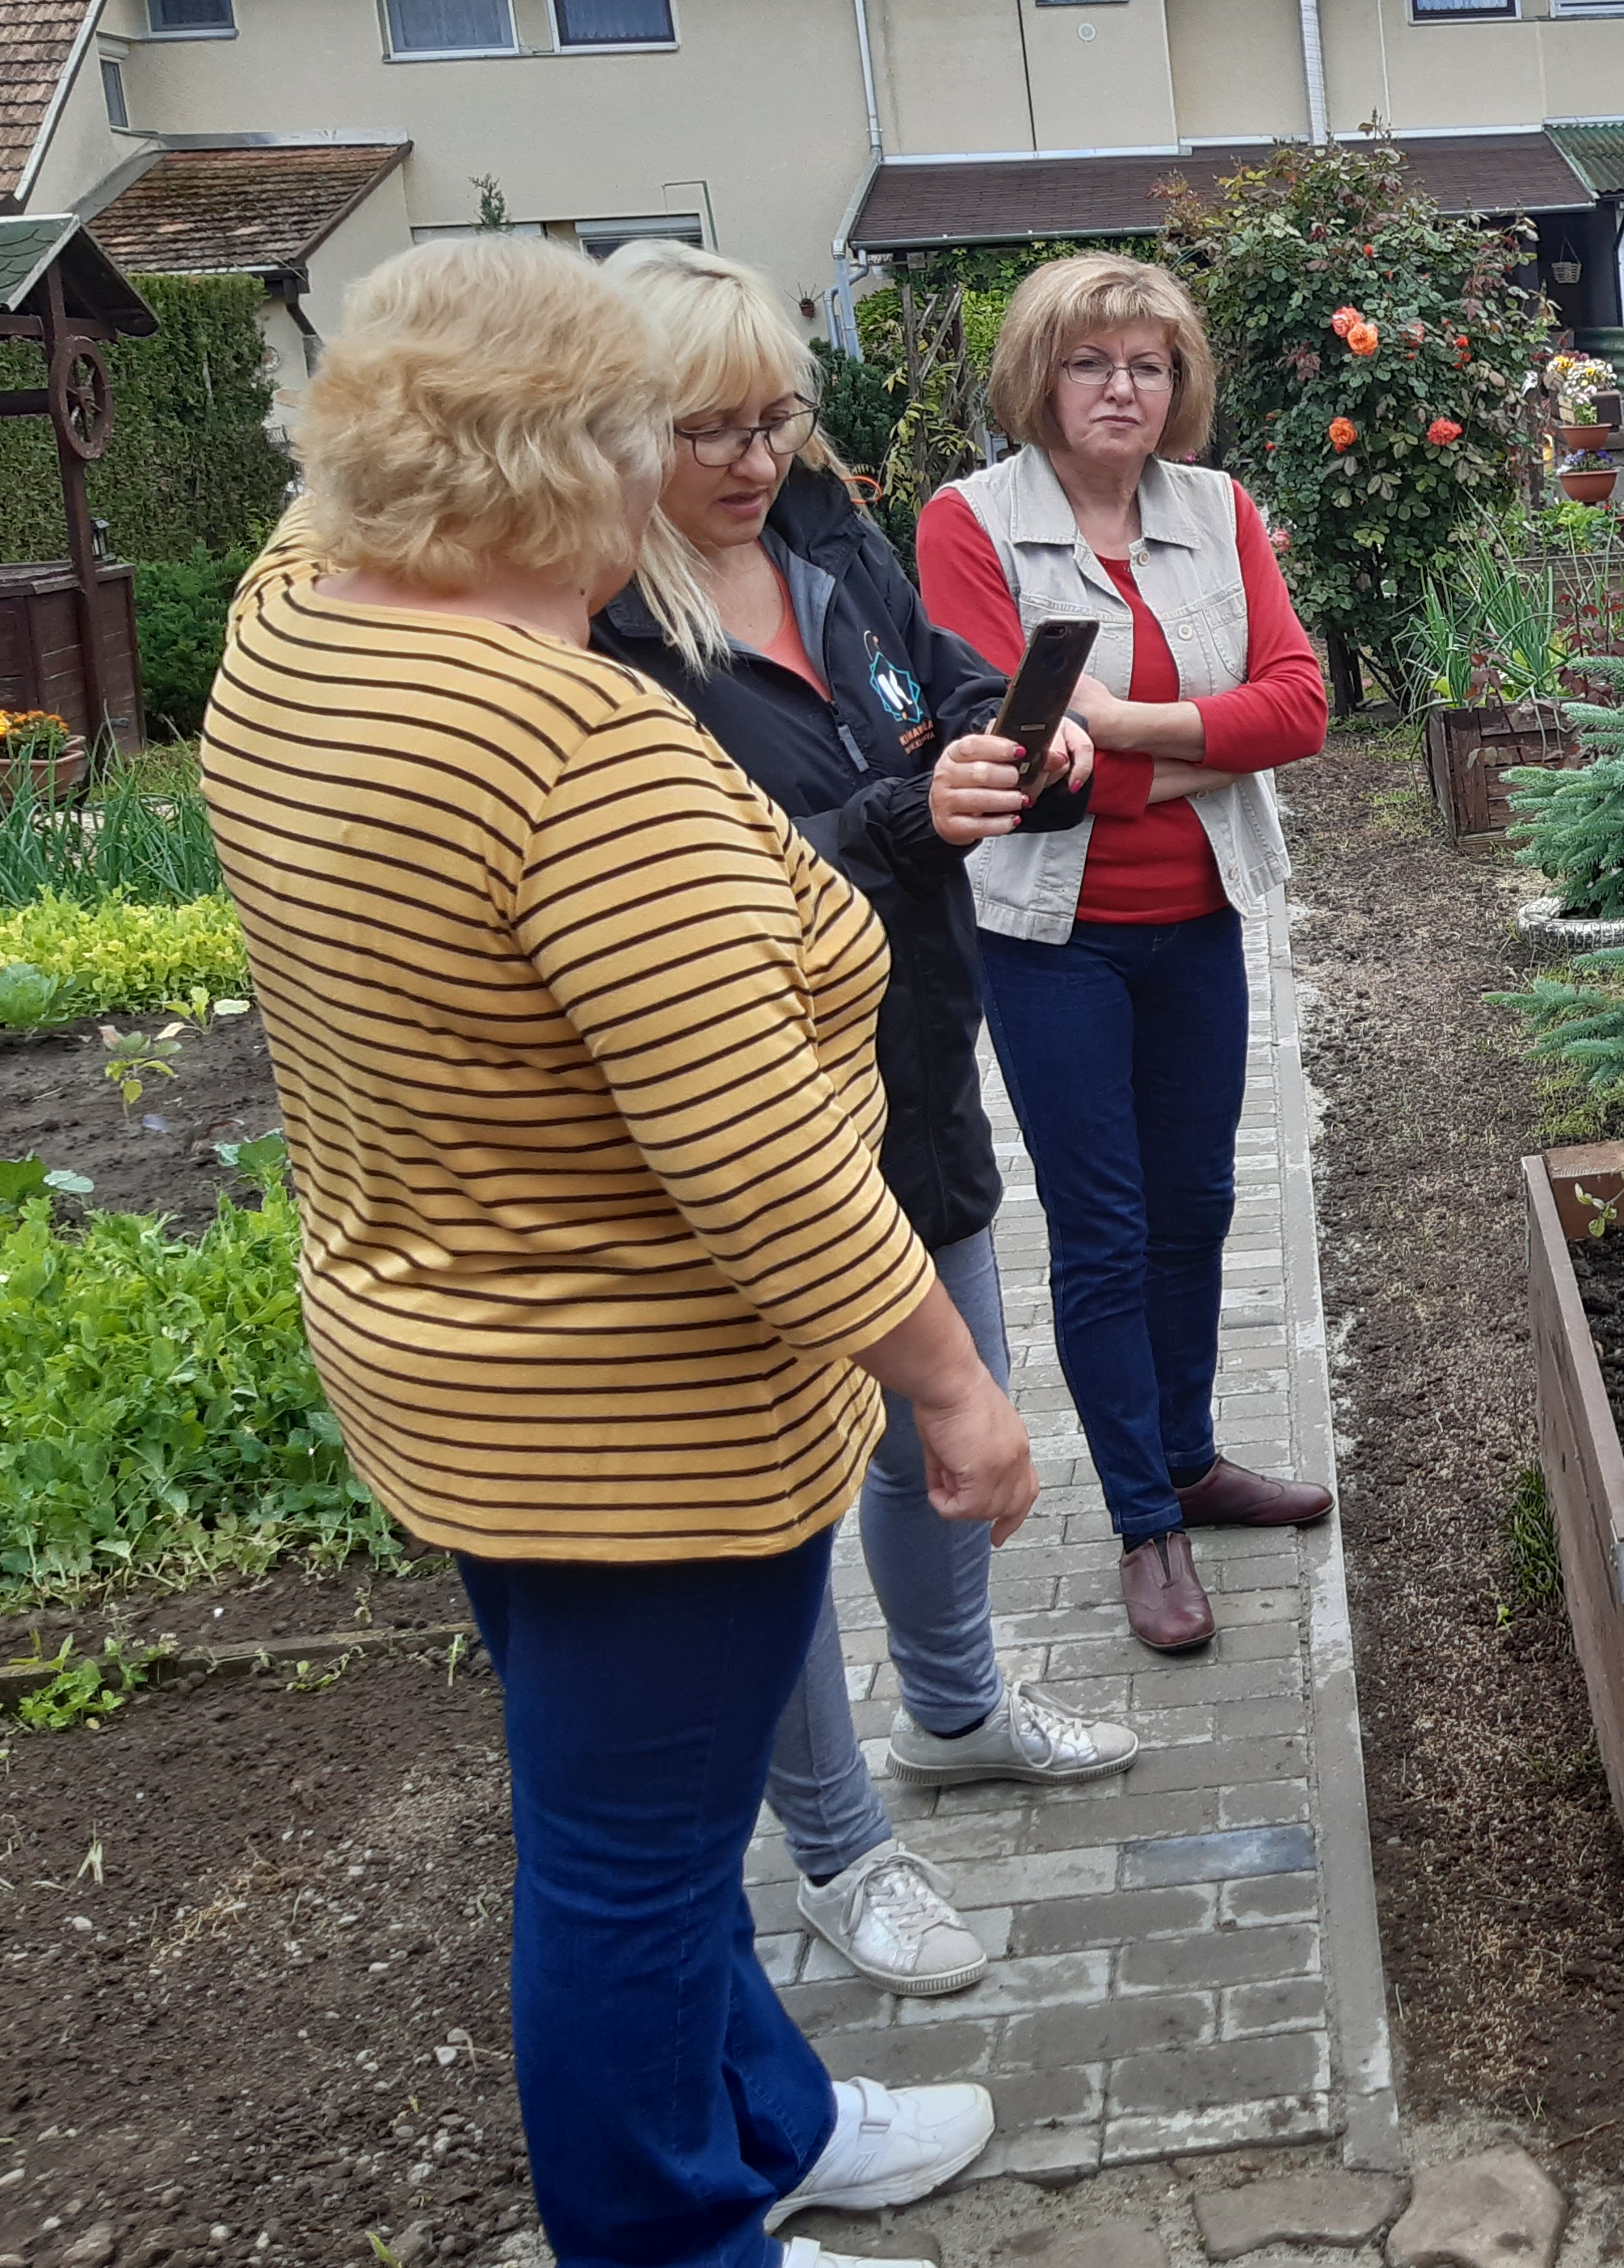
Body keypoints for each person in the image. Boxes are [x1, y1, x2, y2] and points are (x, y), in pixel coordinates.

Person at [202, 232, 1020, 2268]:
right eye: (668, 426)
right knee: (627, 1879)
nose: (714, 463)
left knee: (631, 1830)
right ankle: (676, 2240)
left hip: (452, 1356)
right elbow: (756, 1157)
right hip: (637, 1414)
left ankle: (768, 2120)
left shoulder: (293, 628)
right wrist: (952, 1388)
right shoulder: (570, 744)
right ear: (577, 452)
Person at [591, 240, 1138, 2001]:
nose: (753, 461)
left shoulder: (823, 537)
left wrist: (1010, 741)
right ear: (611, 432)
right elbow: (691, 906)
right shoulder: (599, 632)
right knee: (788, 1491)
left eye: (774, 419)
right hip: (745, 1116)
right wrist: (919, 818)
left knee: (941, 1426)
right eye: (706, 430)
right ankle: (835, 1851)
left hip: (911, 1057)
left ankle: (961, 1713)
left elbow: (934, 694)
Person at [915, 253, 1329, 1654]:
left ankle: (1193, 1454)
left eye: (1149, 365)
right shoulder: (969, 525)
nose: (1123, 388)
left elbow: (1302, 708)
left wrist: (1127, 724)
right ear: (1043, 375)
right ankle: (1146, 1518)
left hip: (1198, 918)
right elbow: (1016, 760)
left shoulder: (1218, 510)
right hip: (1053, 939)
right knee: (1101, 1227)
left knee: (1199, 1203)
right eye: (1095, 363)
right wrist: (1199, 732)